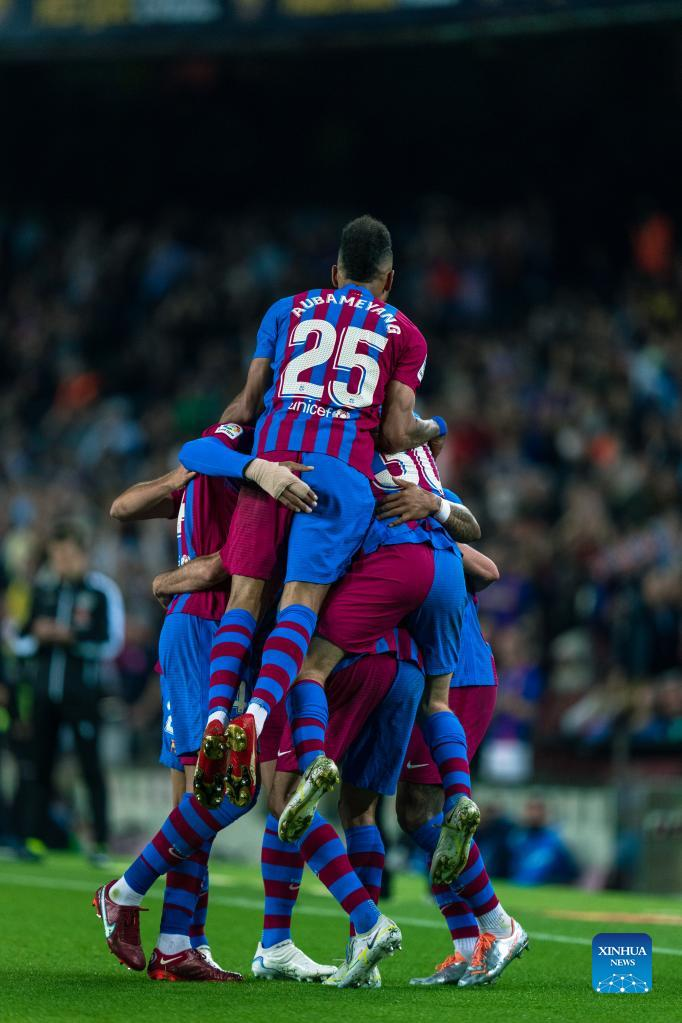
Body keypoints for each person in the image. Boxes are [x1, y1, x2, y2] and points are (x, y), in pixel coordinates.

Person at [194, 215, 446, 807]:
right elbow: (394, 434)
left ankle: (216, 718)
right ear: (389, 280)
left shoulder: (284, 310)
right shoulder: (407, 334)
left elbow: (247, 405)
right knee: (299, 605)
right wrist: (432, 428)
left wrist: (226, 447)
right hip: (339, 479)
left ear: (335, 272)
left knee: (245, 598)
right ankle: (256, 717)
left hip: (271, 463)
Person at [104, 421, 316, 982]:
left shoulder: (214, 468)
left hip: (209, 635)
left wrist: (167, 576)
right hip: (204, 631)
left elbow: (124, 508)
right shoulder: (246, 474)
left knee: (194, 806)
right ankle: (129, 896)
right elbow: (225, 562)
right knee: (219, 795)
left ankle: (181, 942)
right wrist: (172, 578)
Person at [12, 521, 124, 862]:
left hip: (82, 695)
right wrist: (36, 635)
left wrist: (71, 638)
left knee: (90, 767)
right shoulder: (43, 591)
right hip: (44, 694)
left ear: (83, 554)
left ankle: (100, 841)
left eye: (68, 555)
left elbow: (111, 643)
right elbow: (19, 639)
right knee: (38, 766)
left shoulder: (100, 592)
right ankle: (32, 839)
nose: (62, 562)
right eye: (57, 556)